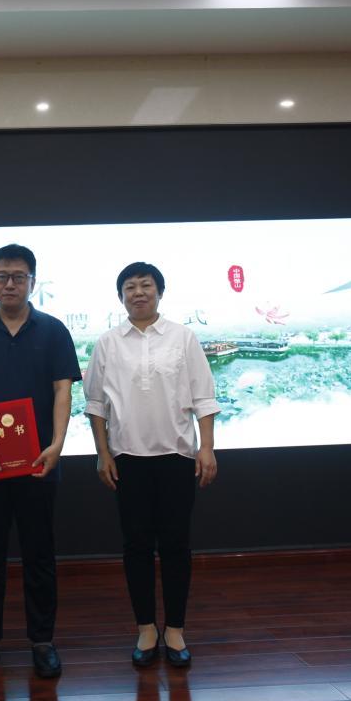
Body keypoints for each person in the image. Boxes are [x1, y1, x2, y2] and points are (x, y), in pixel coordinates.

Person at [0, 244, 82, 679]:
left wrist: (57, 443)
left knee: (39, 554)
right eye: (2, 276)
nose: (10, 284)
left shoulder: (53, 330)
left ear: (32, 281)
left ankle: (42, 641)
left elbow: (63, 390)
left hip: (39, 461)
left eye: (19, 276)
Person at [83, 262, 220, 669]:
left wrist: (207, 448)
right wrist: (103, 452)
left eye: (146, 285)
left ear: (160, 292)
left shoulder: (183, 337)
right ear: (120, 296)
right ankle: (145, 627)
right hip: (127, 459)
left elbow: (204, 397)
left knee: (176, 545)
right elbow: (96, 404)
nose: (138, 292)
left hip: (177, 457)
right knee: (136, 546)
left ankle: (175, 629)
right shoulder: (108, 343)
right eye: (130, 287)